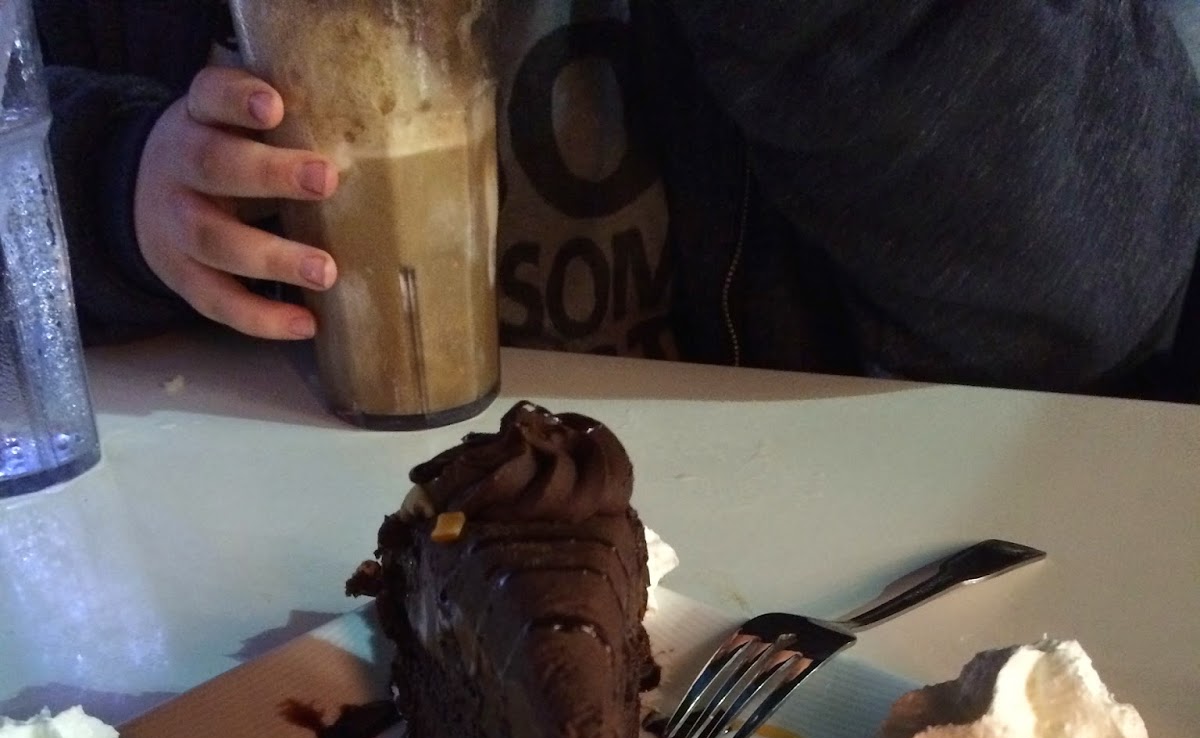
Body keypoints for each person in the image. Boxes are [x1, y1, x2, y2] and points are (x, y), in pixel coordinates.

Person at [33, 0, 1200, 397]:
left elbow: (1089, 296)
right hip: (276, 542)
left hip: (793, 580)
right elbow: (28, 115)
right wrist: (118, 179)